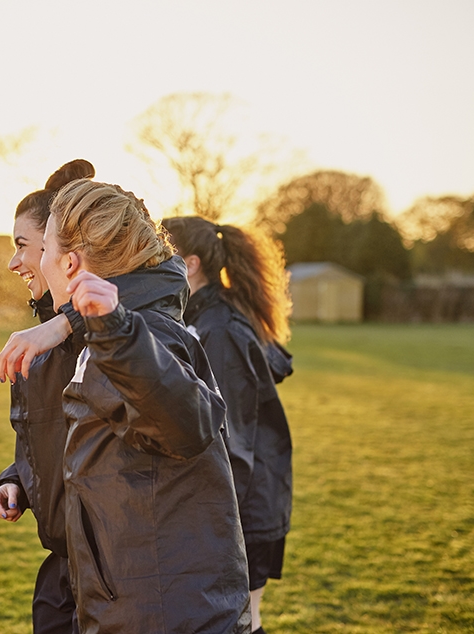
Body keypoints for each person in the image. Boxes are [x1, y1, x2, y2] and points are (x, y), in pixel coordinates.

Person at [2, 180, 251, 633]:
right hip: (135, 607)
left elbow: (185, 422)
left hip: (164, 617)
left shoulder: (143, 336)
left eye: (42, 250)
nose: (33, 262)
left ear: (70, 262)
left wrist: (114, 331)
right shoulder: (115, 336)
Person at [162, 216, 294, 634]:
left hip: (245, 510)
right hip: (238, 505)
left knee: (242, 623)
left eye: (165, 252)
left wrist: (212, 517)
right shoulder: (201, 318)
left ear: (191, 264)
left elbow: (232, 437)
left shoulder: (219, 329)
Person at [0, 158, 95, 634]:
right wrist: (17, 480)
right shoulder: (43, 340)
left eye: (22, 246)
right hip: (61, 567)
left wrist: (69, 321)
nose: (13, 262)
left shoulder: (106, 336)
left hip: (108, 572)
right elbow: (56, 436)